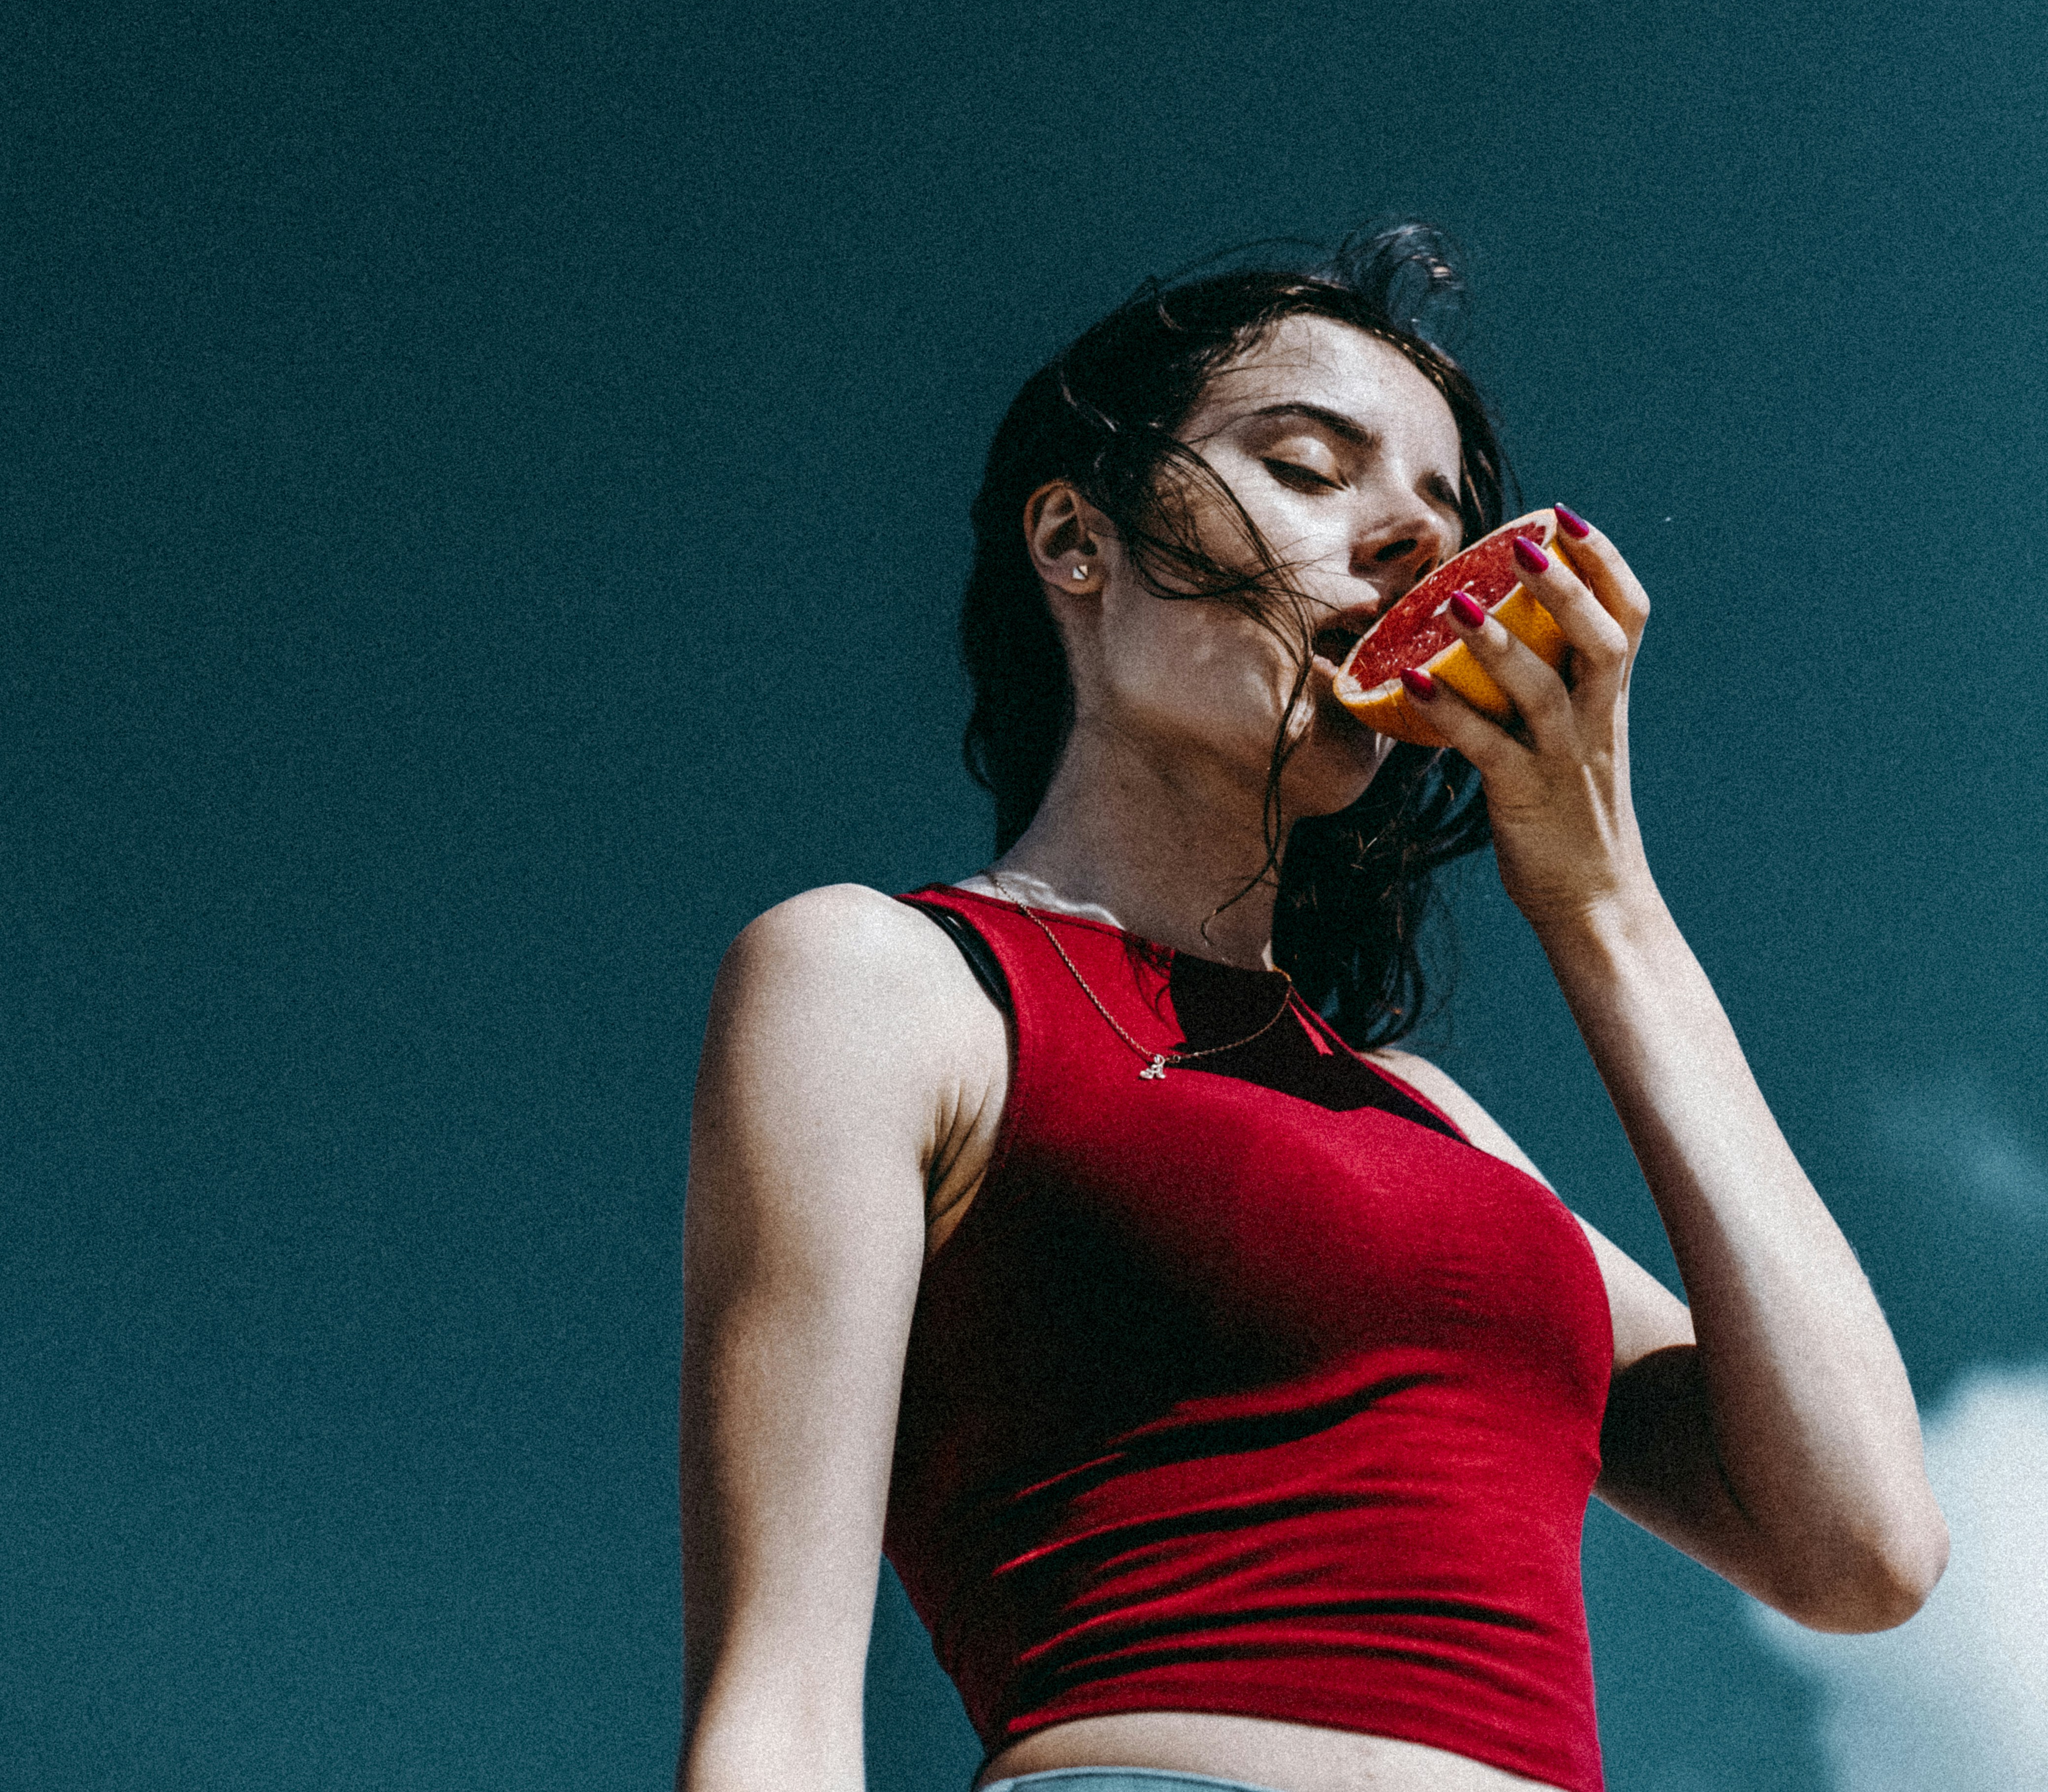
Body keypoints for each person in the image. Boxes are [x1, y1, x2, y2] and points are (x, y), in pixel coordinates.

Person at [677, 228, 1947, 1792]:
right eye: (1307, 467)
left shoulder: (1432, 1117)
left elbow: (1863, 1545)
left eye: (1443, 518)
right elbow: (777, 1704)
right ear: (1076, 540)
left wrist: (1603, 904)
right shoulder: (886, 981)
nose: (1412, 540)